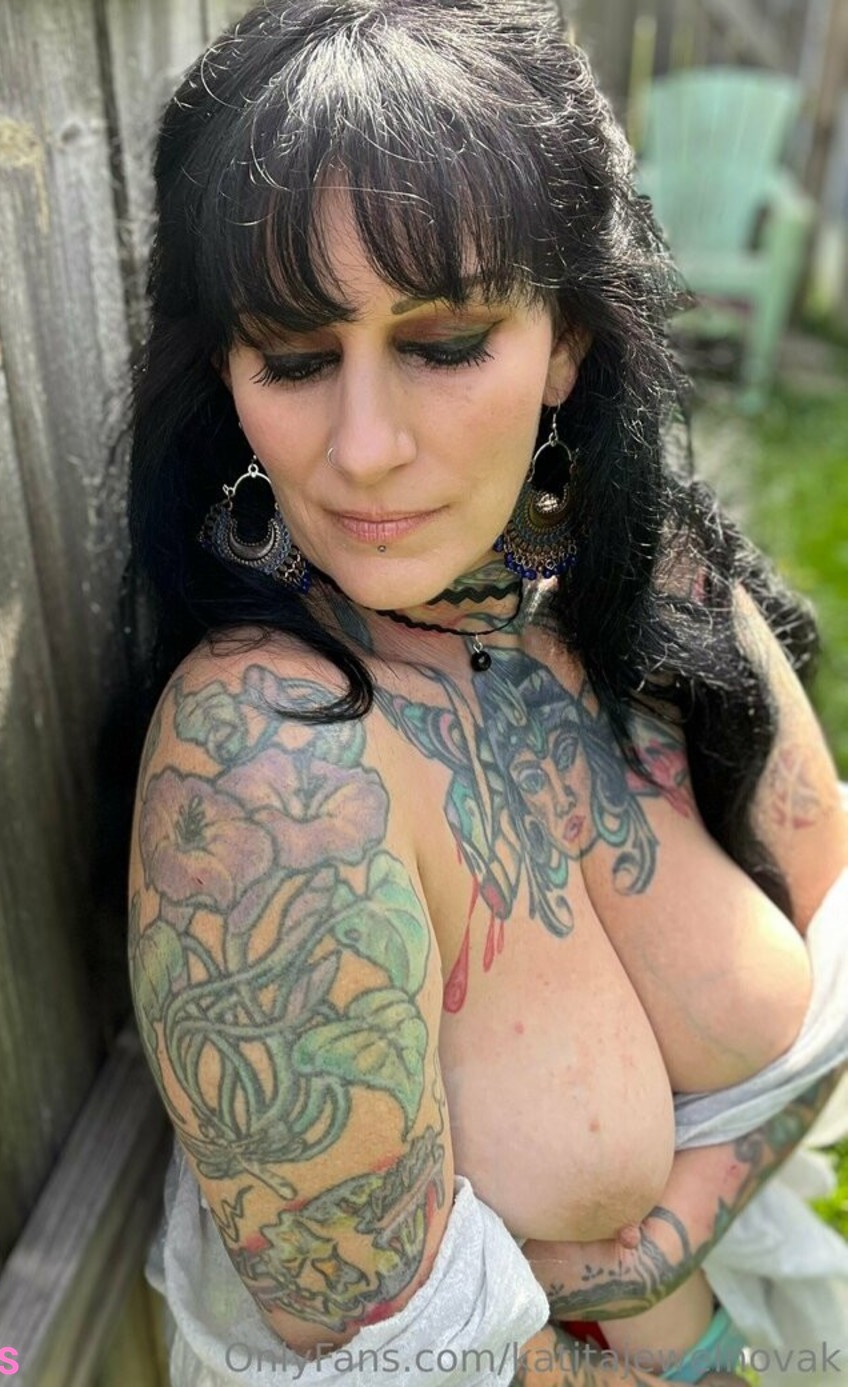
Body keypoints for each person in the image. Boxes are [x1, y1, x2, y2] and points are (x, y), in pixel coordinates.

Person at [124, 2, 848, 1383]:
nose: (364, 448)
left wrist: (659, 1251)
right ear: (224, 373)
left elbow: (837, 922)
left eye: (445, 342)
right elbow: (378, 1348)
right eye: (294, 355)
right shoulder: (265, 762)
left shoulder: (658, 585)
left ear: (567, 339)